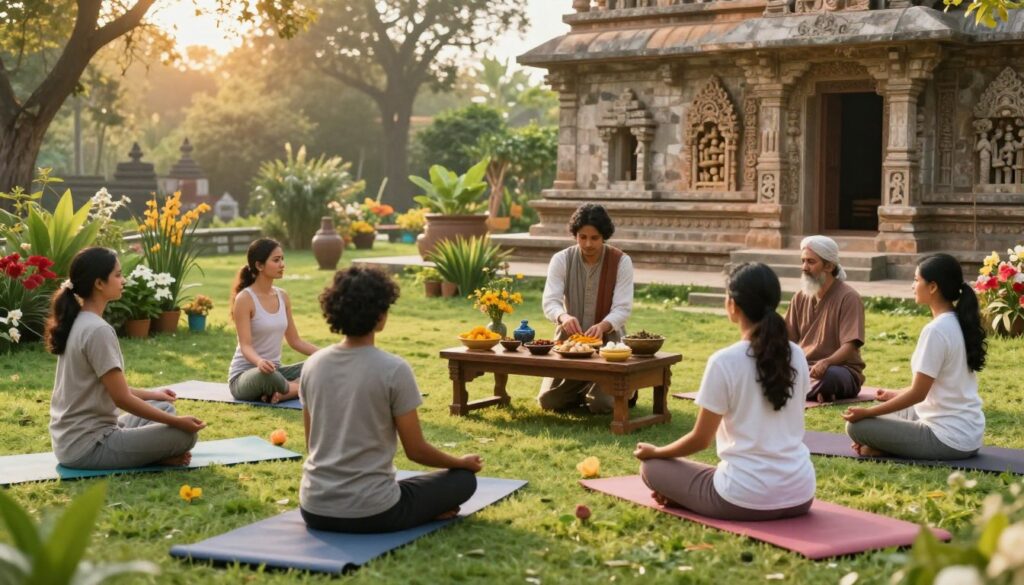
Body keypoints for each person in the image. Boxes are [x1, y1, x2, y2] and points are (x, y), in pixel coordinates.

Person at [299, 266, 481, 533]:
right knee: (464, 481)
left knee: (413, 487)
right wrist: (461, 463)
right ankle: (430, 510)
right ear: (381, 316)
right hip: (374, 512)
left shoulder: (312, 365)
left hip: (314, 509)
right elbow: (416, 450)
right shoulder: (394, 369)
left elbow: (311, 443)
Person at [634, 263, 815, 520]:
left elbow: (700, 440)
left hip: (744, 499)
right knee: (699, 471)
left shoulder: (725, 361)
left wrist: (656, 452)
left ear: (732, 304)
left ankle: (679, 495)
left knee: (652, 468)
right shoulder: (796, 354)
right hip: (800, 493)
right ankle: (682, 494)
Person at [46, 247, 205, 469]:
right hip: (88, 447)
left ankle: (154, 453)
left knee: (162, 405)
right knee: (184, 436)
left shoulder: (79, 321)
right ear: (99, 283)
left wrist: (154, 394)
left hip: (73, 440)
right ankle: (156, 454)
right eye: (118, 275)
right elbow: (121, 399)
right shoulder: (98, 330)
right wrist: (178, 423)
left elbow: (111, 390)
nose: (124, 280)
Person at [843, 254, 987, 460]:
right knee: (884, 413)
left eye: (916, 280)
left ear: (933, 287)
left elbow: (918, 394)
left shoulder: (936, 330)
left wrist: (867, 414)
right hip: (970, 434)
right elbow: (935, 387)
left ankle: (880, 447)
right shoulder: (959, 321)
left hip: (947, 439)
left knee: (857, 426)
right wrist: (894, 394)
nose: (912, 285)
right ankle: (882, 444)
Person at [538, 203, 634, 413]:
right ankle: (585, 387)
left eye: (595, 238)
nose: (588, 244)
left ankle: (624, 388)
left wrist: (603, 326)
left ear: (604, 236)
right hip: (569, 347)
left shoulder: (621, 261)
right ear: (575, 235)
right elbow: (550, 301)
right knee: (548, 402)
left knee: (601, 404)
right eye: (583, 237)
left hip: (610, 349)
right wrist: (563, 316)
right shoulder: (561, 259)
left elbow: (623, 307)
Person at [228, 238, 318, 403]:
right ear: (259, 265)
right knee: (268, 377)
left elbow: (295, 341)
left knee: (321, 366)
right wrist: (259, 361)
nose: (282, 264)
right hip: (247, 376)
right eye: (276, 260)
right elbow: (245, 345)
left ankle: (283, 392)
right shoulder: (245, 299)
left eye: (282, 259)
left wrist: (325, 355)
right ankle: (297, 388)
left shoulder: (282, 296)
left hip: (275, 371)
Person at [785, 235, 866, 403]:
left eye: (810, 262)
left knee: (829, 378)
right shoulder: (799, 297)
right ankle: (810, 391)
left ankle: (796, 390)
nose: (804, 267)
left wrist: (827, 362)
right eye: (803, 261)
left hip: (839, 369)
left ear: (828, 266)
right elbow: (787, 340)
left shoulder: (849, 297)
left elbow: (850, 345)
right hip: (804, 369)